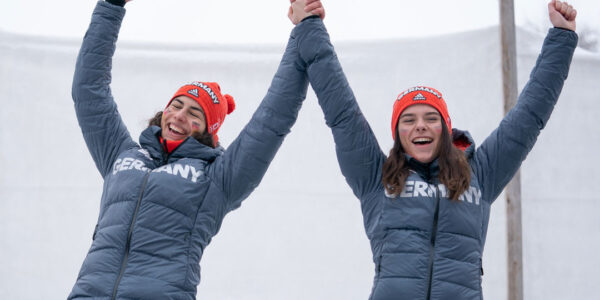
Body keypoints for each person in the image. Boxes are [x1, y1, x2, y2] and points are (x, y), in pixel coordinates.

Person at [292, 0, 578, 299]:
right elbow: (341, 112)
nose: (421, 126)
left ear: (446, 129)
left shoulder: (478, 173)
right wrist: (310, 26)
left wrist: (561, 36)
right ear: (397, 132)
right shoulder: (377, 177)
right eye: (409, 120)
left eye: (431, 118)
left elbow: (528, 118)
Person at [68, 0, 323, 299]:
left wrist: (302, 32)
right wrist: (111, 6)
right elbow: (89, 91)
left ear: (208, 131)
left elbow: (272, 120)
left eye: (194, 114)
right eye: (175, 105)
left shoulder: (217, 178)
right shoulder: (121, 154)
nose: (178, 115)